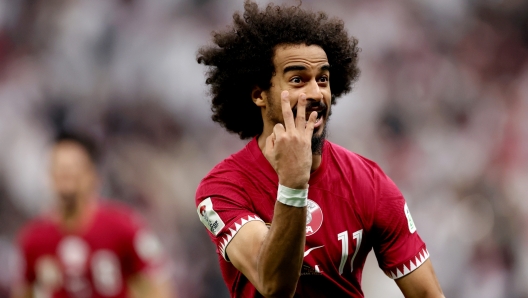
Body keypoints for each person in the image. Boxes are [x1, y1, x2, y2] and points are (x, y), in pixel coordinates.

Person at [195, 1, 444, 297]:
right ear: (260, 94)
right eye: (298, 80)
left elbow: (428, 294)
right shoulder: (222, 188)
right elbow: (274, 284)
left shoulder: (369, 182)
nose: (316, 93)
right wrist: (293, 183)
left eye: (323, 79)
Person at [12, 132, 173, 298]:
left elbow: (156, 284)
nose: (65, 175)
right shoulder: (33, 238)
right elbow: (23, 291)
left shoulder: (124, 226)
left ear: (93, 175)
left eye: (73, 168)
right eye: (59, 168)